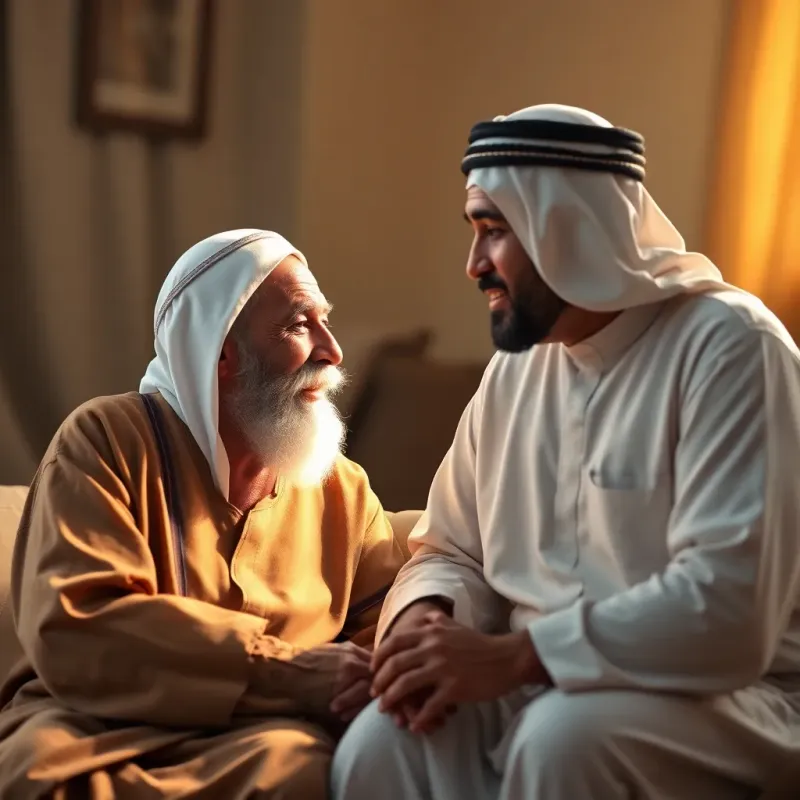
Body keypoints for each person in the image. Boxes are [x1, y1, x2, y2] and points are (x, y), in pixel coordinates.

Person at [332, 105, 800, 799]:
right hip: (539, 684)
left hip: (732, 696)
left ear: (567, 230)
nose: (473, 265)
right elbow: (453, 550)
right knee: (386, 736)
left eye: (493, 231)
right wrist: (427, 624)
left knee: (565, 740)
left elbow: (727, 609)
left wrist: (519, 656)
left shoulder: (730, 347)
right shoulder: (518, 369)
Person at [0, 230, 406, 798]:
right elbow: (77, 625)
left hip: (264, 736)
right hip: (89, 730)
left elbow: (386, 631)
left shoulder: (343, 490)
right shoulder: (105, 441)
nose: (332, 351)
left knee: (298, 770)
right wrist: (287, 672)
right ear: (217, 351)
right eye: (298, 324)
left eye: (325, 320)